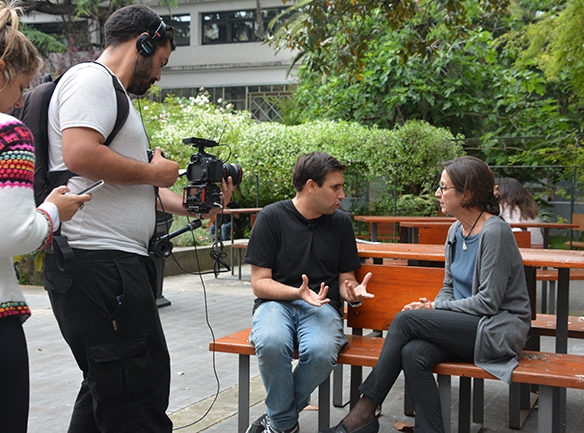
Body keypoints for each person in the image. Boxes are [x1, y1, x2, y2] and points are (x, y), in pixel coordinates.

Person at [42, 5, 232, 432]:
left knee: (109, 389)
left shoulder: (112, 95)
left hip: (110, 266)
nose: (159, 75)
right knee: (136, 395)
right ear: (143, 43)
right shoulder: (92, 80)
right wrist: (153, 172)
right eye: (161, 61)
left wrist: (194, 205)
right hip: (99, 265)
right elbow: (80, 154)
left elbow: (133, 187)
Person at [323, 156, 531, 433]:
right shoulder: (456, 230)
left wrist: (435, 308)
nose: (437, 193)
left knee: (406, 320)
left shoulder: (495, 232)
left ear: (467, 194)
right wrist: (438, 305)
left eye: (443, 187)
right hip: (469, 326)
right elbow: (449, 286)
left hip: (497, 330)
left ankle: (363, 412)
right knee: (413, 352)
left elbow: (489, 302)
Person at [0, 2, 90, 431]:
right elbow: (13, 234)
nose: (22, 100)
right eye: (22, 86)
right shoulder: (8, 133)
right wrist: (54, 211)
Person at [244, 151, 374, 433]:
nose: (342, 195)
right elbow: (260, 282)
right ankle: (284, 424)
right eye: (335, 187)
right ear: (311, 186)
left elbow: (346, 278)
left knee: (321, 351)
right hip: (275, 304)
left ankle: (278, 422)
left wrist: (352, 292)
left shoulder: (341, 223)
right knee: (271, 341)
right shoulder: (271, 217)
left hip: (322, 305)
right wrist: (297, 292)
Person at [497, 177, 543, 247]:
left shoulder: (504, 206)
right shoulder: (531, 206)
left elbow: (488, 213)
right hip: (538, 244)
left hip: (520, 246)